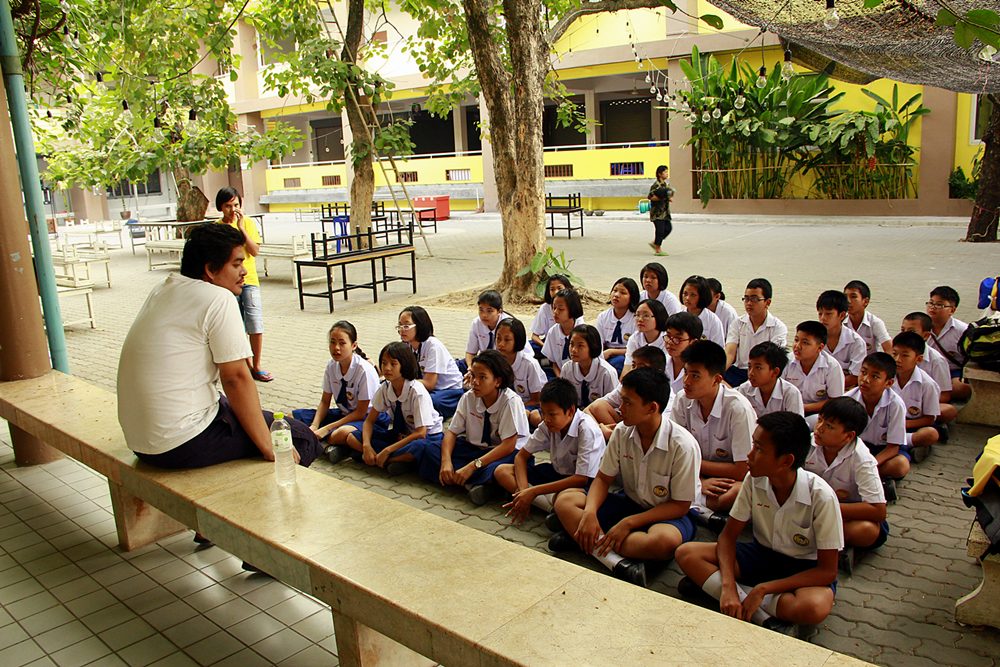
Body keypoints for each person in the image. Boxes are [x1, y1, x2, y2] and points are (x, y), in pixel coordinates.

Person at [118, 223, 322, 469]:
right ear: (211, 270)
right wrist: (267, 443)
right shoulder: (218, 298)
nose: (244, 271)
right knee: (299, 438)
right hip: (180, 441)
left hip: (140, 440)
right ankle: (273, 505)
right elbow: (235, 378)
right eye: (236, 264)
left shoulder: (162, 289)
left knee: (252, 414)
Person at [675, 412, 842, 634]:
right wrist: (727, 587)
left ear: (786, 461)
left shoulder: (822, 496)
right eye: (754, 445)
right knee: (687, 553)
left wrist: (764, 589)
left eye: (760, 449)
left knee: (813, 607)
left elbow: (827, 571)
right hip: (760, 555)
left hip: (803, 568)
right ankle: (759, 612)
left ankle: (725, 592)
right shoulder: (754, 479)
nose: (750, 455)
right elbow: (727, 536)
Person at [550, 368, 700, 588]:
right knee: (565, 501)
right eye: (622, 401)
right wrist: (590, 512)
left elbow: (680, 505)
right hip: (629, 502)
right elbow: (602, 479)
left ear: (652, 408)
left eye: (628, 403)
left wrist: (628, 523)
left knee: (664, 541)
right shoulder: (622, 431)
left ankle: (584, 540)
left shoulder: (682, 445)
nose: (620, 409)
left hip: (667, 514)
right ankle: (615, 558)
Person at [418, 351, 530, 505]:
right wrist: (446, 462)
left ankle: (476, 482)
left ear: (497, 381)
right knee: (431, 448)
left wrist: (472, 466)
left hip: (504, 453)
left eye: (482, 377)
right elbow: (451, 432)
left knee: (498, 469)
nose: (475, 382)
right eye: (473, 376)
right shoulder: (468, 397)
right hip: (475, 449)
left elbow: (508, 446)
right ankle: (476, 484)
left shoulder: (510, 401)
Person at [494, 378, 606, 524]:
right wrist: (523, 491)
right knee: (502, 471)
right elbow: (521, 456)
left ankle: (549, 505)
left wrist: (533, 491)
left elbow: (581, 478)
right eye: (543, 413)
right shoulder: (548, 425)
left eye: (552, 414)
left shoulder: (587, 429)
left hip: (580, 484)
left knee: (566, 499)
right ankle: (549, 509)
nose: (546, 419)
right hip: (556, 472)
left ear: (570, 411)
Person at [671, 341, 756, 528]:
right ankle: (704, 513)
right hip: (692, 475)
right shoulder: (682, 400)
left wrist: (695, 469)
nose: (686, 382)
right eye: (686, 373)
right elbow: (674, 454)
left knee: (736, 493)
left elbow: (742, 469)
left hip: (726, 481)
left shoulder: (738, 409)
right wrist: (699, 481)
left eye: (695, 376)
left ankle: (689, 506)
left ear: (716, 379)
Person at [292, 321, 384, 463]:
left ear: (353, 345)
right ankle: (333, 445)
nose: (336, 348)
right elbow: (324, 401)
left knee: (339, 434)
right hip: (345, 414)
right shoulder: (331, 366)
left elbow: (360, 412)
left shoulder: (363, 371)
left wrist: (326, 429)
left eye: (342, 343)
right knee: (291, 418)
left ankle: (333, 444)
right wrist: (315, 425)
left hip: (368, 418)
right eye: (332, 342)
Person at [345, 342, 443, 473]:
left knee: (419, 448)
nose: (387, 368)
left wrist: (388, 450)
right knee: (353, 437)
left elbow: (421, 433)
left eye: (393, 364)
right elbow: (369, 421)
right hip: (402, 435)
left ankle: (386, 459)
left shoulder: (416, 392)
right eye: (384, 363)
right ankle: (387, 459)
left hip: (427, 437)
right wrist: (367, 445)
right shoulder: (385, 387)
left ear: (405, 365)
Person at [806, 398, 888, 550]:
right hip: (808, 506)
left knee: (866, 530)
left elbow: (878, 510)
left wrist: (826, 508)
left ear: (849, 436)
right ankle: (824, 545)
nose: (819, 428)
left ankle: (824, 547)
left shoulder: (862, 459)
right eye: (820, 420)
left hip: (847, 513)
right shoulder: (806, 444)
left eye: (829, 426)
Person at [214, 187, 271, 382]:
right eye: (228, 206)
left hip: (250, 280)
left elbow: (254, 250)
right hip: (228, 283)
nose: (233, 209)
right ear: (221, 207)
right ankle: (245, 365)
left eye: (236, 205)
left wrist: (241, 228)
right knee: (236, 325)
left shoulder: (247, 223)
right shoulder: (217, 227)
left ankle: (257, 365)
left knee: (255, 323)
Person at [845, 353, 909, 500]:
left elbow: (893, 447)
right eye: (863, 372)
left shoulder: (896, 405)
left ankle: (865, 480)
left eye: (875, 376)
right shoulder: (848, 399)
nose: (865, 380)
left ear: (888, 383)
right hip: (856, 449)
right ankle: (877, 483)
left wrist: (870, 465)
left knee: (900, 465)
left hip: (883, 451)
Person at [397, 306, 465, 418]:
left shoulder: (433, 346)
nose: (402, 329)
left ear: (419, 326)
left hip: (448, 391)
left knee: (429, 402)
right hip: (426, 388)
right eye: (399, 325)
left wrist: (401, 383)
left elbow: (429, 384)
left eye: (406, 325)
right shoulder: (406, 345)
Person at [586, 346, 666, 440]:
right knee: (599, 406)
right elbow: (589, 409)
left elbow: (658, 434)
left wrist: (612, 435)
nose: (634, 370)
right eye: (633, 365)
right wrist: (600, 430)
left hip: (646, 437)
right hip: (624, 432)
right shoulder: (627, 386)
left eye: (641, 367)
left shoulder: (667, 398)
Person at [724, 278, 787, 387]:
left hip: (762, 373)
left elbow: (773, 360)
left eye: (754, 299)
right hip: (739, 371)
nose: (749, 303)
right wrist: (716, 373)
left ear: (767, 302)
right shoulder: (738, 323)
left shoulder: (778, 328)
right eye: (746, 298)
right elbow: (730, 353)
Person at [900, 312, 958, 425]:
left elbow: (945, 395)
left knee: (948, 411)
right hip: (895, 401)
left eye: (911, 332)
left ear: (926, 335)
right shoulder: (895, 355)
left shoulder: (937, 360)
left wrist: (919, 404)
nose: (905, 335)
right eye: (903, 330)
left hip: (921, 405)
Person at [890, 332, 941, 453]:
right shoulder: (886, 376)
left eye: (905, 356)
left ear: (918, 359)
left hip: (911, 426)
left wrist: (903, 424)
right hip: (887, 422)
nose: (897, 360)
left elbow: (929, 419)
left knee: (930, 434)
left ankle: (904, 445)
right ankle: (908, 448)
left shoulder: (928, 384)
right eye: (894, 354)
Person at [783, 321, 844, 423]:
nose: (797, 346)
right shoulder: (786, 362)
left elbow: (835, 401)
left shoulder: (832, 367)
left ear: (819, 347)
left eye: (805, 343)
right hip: (788, 410)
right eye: (796, 340)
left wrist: (804, 407)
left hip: (818, 413)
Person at [925, 286, 972, 402]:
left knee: (961, 388)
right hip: (926, 369)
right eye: (931, 303)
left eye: (939, 305)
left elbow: (970, 358)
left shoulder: (963, 331)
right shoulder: (920, 325)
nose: (932, 307)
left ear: (952, 310)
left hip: (952, 372)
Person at [738, 342, 805, 418]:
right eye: (749, 366)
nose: (751, 373)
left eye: (758, 368)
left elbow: (797, 426)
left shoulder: (791, 393)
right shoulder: (744, 390)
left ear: (775, 372)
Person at [561, 324, 620, 410]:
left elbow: (614, 406)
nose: (573, 350)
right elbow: (563, 399)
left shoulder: (606, 373)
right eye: (571, 344)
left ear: (592, 346)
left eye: (580, 346)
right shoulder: (567, 369)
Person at [816, 290, 866, 389]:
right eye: (820, 314)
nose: (822, 319)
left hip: (844, 390)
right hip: (814, 389)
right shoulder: (813, 339)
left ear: (842, 315)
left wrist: (829, 386)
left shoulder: (856, 342)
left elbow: (855, 376)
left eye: (828, 314)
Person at [495, 318, 546, 411]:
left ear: (518, 341)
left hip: (529, 405)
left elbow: (536, 400)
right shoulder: (495, 361)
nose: (501, 344)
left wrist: (513, 408)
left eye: (507, 340)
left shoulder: (529, 364)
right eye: (498, 338)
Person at [596, 277, 640, 376]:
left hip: (627, 355)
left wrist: (612, 352)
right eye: (614, 291)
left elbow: (637, 347)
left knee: (619, 363)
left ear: (632, 297)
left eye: (623, 293)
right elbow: (598, 344)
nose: (616, 295)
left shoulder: (635, 318)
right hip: (606, 354)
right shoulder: (603, 317)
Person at [540, 289, 585, 378]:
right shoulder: (552, 332)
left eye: (561, 309)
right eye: (554, 308)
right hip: (561, 376)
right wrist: (561, 379)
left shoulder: (584, 333)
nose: (555, 312)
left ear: (572, 309)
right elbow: (554, 362)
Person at [463, 289, 511, 373]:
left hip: (504, 366)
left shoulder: (508, 326)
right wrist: (471, 369)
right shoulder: (476, 323)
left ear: (499, 311)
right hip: (485, 364)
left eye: (489, 311)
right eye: (481, 310)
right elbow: (470, 353)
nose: (484, 315)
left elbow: (510, 358)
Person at [663, 312, 704, 408]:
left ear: (693, 342)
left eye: (678, 338)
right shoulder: (660, 362)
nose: (670, 342)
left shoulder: (701, 369)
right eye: (668, 336)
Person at [622, 298, 669, 377]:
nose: (640, 319)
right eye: (637, 315)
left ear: (658, 317)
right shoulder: (634, 338)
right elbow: (627, 367)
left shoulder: (667, 340)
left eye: (646, 316)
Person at [530, 274, 575, 356]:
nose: (556, 292)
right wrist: (547, 349)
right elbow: (534, 336)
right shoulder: (545, 308)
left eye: (559, 288)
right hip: (549, 344)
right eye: (552, 289)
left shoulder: (574, 306)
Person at [843, 280, 892, 354]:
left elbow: (890, 350)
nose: (848, 301)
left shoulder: (875, 323)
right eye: (845, 297)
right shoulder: (840, 322)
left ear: (865, 301)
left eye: (853, 296)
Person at [680, 275, 726, 346]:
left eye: (693, 295)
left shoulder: (713, 321)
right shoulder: (678, 317)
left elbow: (718, 348)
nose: (687, 298)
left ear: (702, 296)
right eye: (685, 294)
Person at [647, 164, 674, 256]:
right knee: (660, 230)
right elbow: (650, 197)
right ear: (659, 174)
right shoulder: (656, 185)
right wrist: (661, 198)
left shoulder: (666, 185)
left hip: (665, 212)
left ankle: (655, 243)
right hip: (657, 213)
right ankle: (658, 249)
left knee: (668, 228)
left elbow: (668, 194)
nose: (667, 174)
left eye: (667, 172)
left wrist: (669, 197)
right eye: (665, 172)